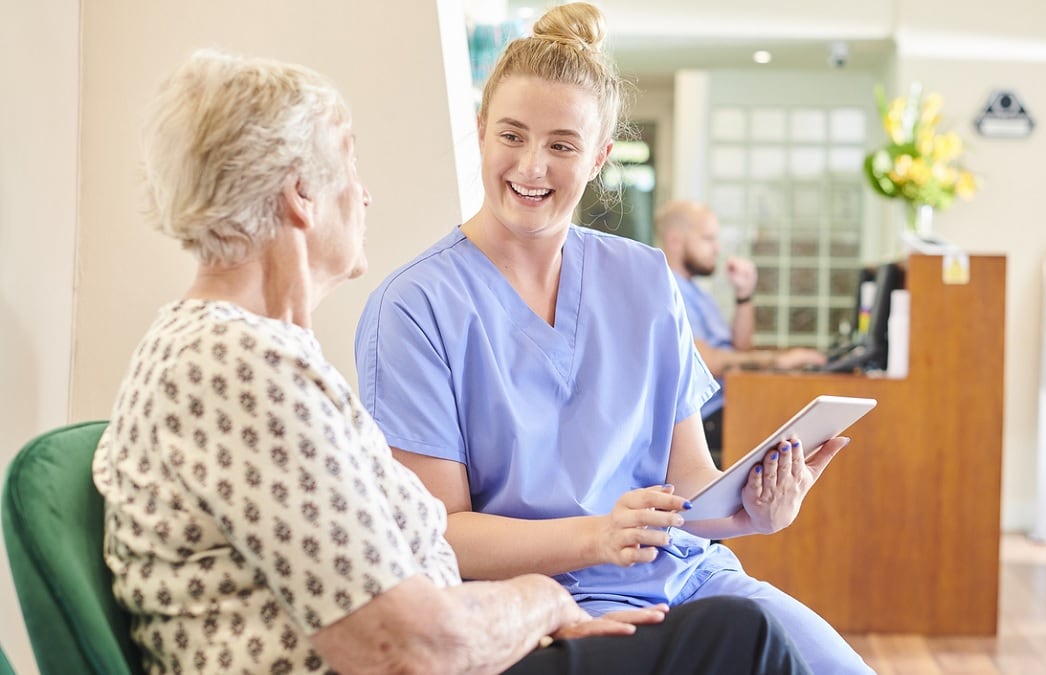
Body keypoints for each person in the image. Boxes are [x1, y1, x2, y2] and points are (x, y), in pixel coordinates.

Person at [91, 49, 813, 675]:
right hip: (443, 654)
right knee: (739, 638)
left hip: (471, 641)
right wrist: (543, 600)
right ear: (300, 197)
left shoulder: (256, 353)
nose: (365, 192)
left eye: (563, 144)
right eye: (348, 164)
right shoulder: (238, 367)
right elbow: (403, 642)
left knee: (741, 631)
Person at [355, 4, 873, 674]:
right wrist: (596, 535)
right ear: (479, 131)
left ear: (599, 157)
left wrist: (753, 512)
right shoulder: (415, 307)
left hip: (689, 578)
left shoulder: (645, 278)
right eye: (511, 135)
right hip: (542, 599)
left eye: (563, 145)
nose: (531, 166)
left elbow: (685, 484)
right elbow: (438, 532)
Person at [655, 199, 827, 455]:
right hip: (704, 420)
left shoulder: (698, 293)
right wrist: (778, 361)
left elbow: (740, 348)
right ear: (675, 240)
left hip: (731, 403)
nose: (717, 248)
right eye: (708, 239)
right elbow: (709, 362)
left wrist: (744, 294)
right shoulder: (667, 290)